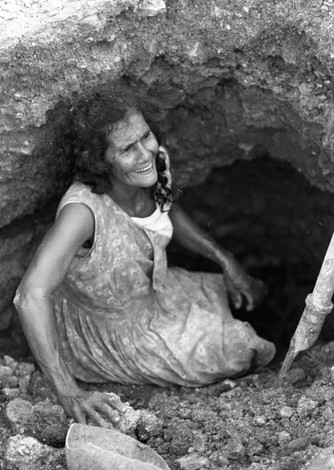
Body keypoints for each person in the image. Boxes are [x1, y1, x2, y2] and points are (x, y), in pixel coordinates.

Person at [14, 84, 275, 428]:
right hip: (110, 329)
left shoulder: (152, 163)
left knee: (251, 292)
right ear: (98, 161)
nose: (145, 153)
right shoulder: (84, 212)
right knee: (242, 347)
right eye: (127, 149)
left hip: (154, 291)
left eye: (145, 136)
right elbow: (29, 295)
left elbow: (167, 209)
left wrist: (226, 261)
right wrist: (68, 392)